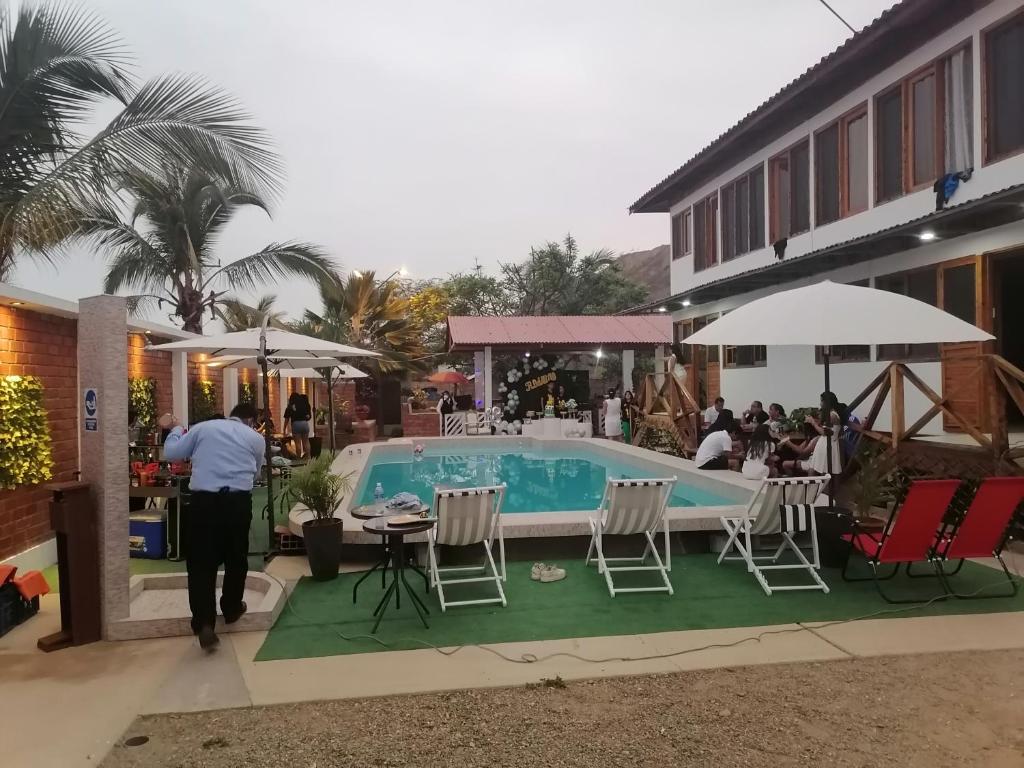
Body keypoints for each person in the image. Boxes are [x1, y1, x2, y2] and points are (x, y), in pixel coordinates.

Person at [162, 403, 266, 652]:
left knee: (200, 563)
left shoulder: (202, 429)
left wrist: (176, 428)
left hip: (203, 503)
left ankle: (204, 623)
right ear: (250, 420)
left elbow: (172, 454)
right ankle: (231, 609)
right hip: (238, 503)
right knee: (236, 558)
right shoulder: (255, 437)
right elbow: (256, 475)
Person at [283, 391, 312, 459]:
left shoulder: (290, 406)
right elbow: (308, 415)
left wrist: (284, 429)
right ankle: (309, 457)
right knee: (306, 441)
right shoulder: (303, 405)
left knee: (298, 443)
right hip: (305, 424)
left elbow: (286, 419)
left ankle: (298, 458)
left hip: (296, 424)